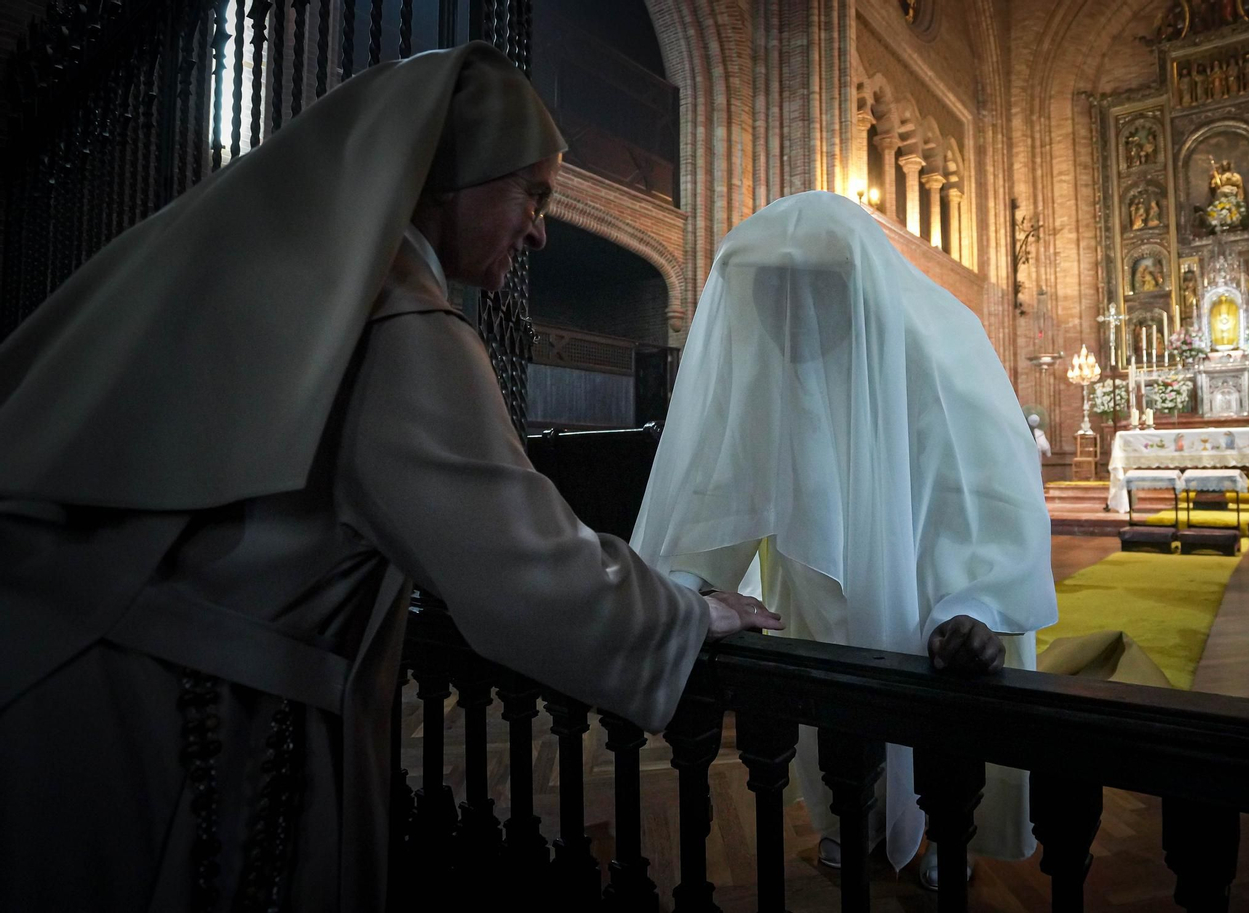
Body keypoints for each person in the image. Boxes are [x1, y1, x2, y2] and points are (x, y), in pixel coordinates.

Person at [0, 42, 780, 911]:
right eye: (532, 193)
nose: (539, 228)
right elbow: (526, 570)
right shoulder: (396, 316)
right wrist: (685, 608)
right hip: (177, 737)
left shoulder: (288, 279)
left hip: (70, 692)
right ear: (450, 176)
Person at [628, 191, 1059, 890]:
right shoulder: (772, 371)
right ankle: (849, 817)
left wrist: (975, 599)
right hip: (822, 591)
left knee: (948, 708)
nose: (783, 315)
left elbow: (993, 484)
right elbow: (723, 488)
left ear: (849, 286)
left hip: (937, 589)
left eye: (800, 293)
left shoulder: (943, 342)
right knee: (840, 717)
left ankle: (956, 829)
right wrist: (682, 584)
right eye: (768, 297)